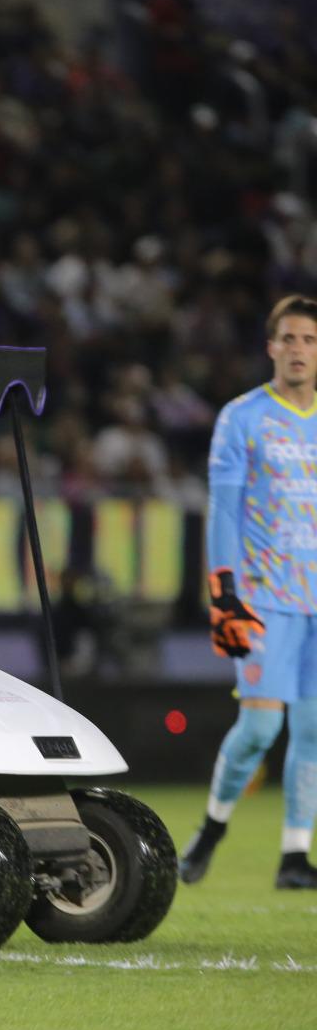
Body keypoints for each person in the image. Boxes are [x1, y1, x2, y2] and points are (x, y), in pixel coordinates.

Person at [179, 295, 317, 890]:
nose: (298, 350)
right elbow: (225, 510)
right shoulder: (243, 417)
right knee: (261, 728)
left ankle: (295, 856)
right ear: (271, 347)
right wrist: (225, 591)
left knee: (312, 731)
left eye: (309, 340)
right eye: (289, 339)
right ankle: (212, 829)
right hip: (263, 596)